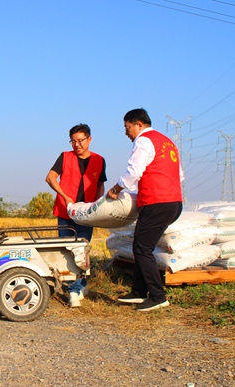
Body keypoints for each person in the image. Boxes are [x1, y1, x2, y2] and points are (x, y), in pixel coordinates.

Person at [107, 108, 183, 312]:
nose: (126, 132)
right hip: (173, 201)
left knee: (142, 248)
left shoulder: (143, 140)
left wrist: (116, 189)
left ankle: (158, 296)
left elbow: (134, 171)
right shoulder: (167, 142)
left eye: (127, 127)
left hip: (157, 202)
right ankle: (139, 291)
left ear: (139, 124)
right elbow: (179, 175)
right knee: (141, 244)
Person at [46, 123, 106, 307]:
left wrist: (97, 205)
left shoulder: (99, 160)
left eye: (80, 140)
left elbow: (100, 185)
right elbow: (50, 177)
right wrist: (64, 196)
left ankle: (80, 284)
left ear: (89, 139)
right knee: (68, 250)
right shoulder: (65, 157)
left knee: (83, 250)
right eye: (73, 141)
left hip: (87, 213)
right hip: (66, 211)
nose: (77, 145)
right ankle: (73, 290)